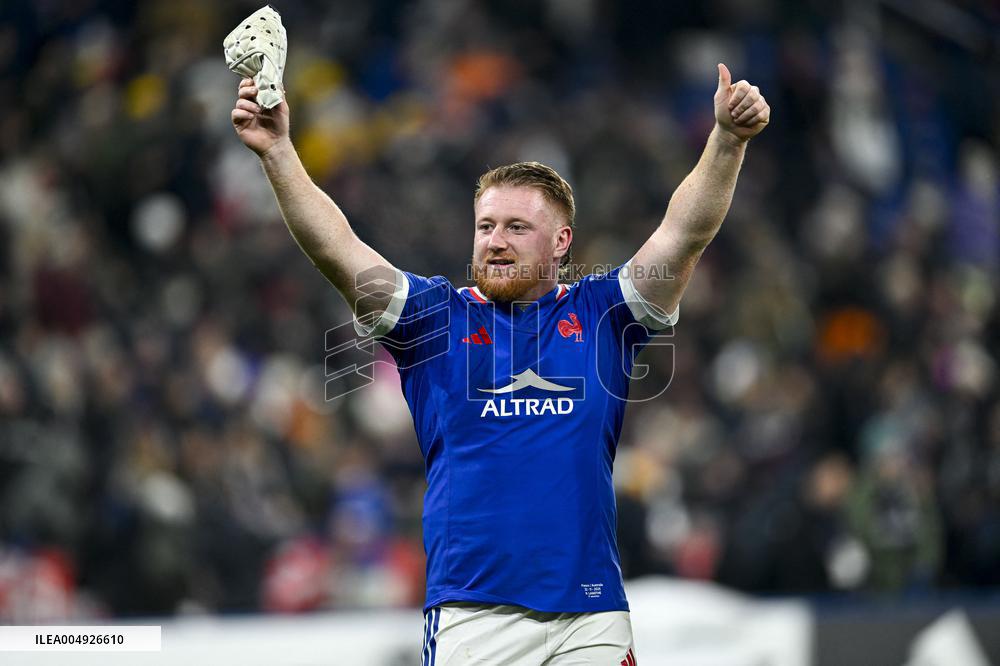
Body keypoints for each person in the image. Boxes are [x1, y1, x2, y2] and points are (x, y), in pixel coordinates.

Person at [232, 62, 769, 665]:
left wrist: (726, 141)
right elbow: (337, 246)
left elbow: (683, 233)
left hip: (591, 615)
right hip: (473, 615)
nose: (495, 241)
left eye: (517, 226)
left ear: (562, 242)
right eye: (486, 226)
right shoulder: (432, 319)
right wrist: (278, 151)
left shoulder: (605, 313)